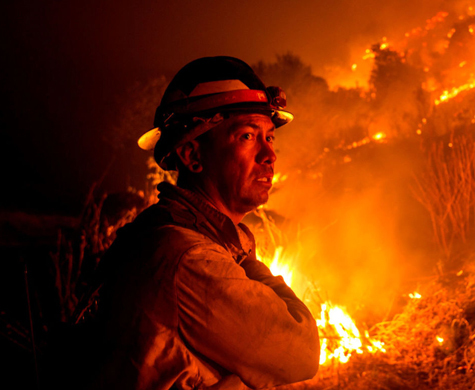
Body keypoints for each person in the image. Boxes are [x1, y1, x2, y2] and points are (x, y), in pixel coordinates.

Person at [82, 56, 320, 389]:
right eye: (247, 137)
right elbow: (302, 352)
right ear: (193, 156)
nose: (269, 155)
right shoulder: (189, 258)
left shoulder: (174, 234)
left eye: (270, 137)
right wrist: (248, 260)